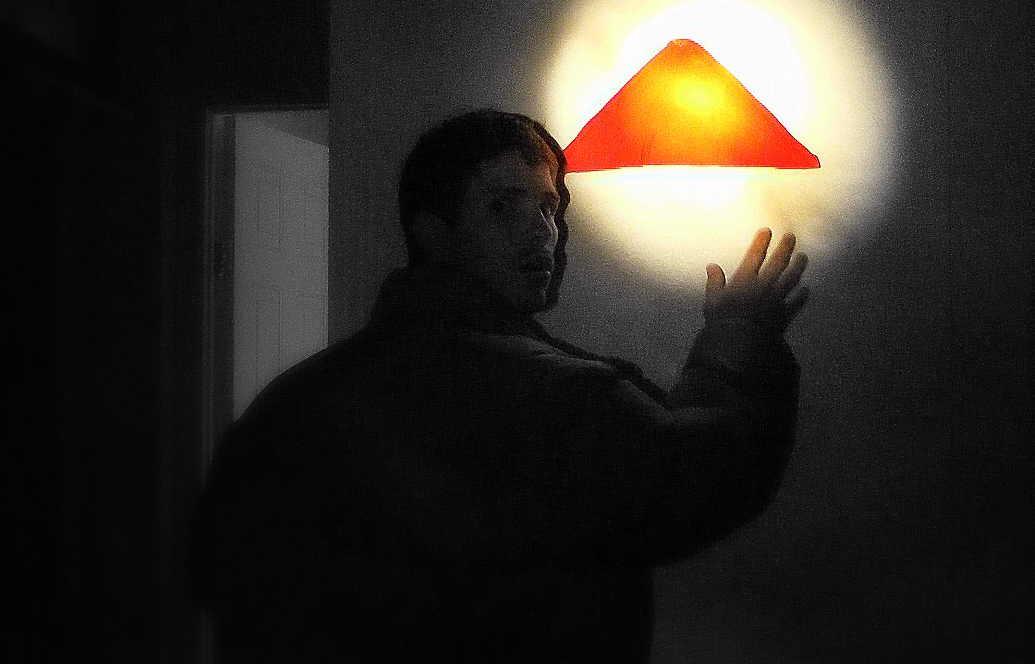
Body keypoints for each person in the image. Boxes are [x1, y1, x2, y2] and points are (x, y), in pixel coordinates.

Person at [190, 109, 808, 664]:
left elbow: (217, 573)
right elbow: (704, 475)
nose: (543, 231)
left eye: (550, 206)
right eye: (502, 206)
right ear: (435, 233)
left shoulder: (290, 404)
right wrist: (738, 341)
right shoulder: (567, 399)